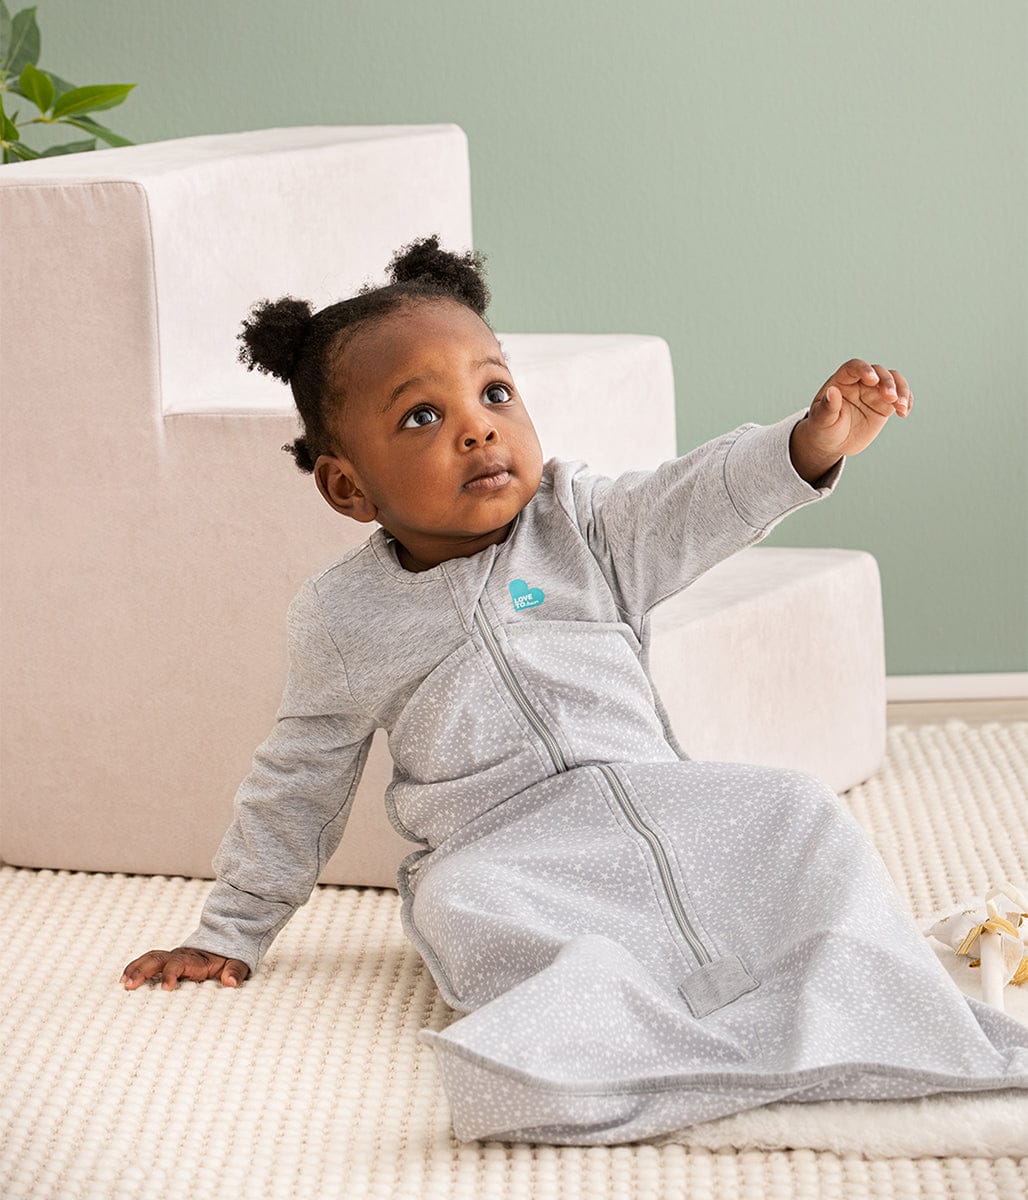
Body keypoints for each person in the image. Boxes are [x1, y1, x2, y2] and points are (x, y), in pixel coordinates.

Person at [121, 234, 1028, 1145]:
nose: (478, 428)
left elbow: (694, 497)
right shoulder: (342, 618)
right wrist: (230, 930)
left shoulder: (580, 523)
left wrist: (806, 444)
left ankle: (855, 982)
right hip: (502, 847)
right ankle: (601, 1041)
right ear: (347, 487)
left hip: (661, 799)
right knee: (459, 903)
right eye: (421, 417)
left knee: (796, 807)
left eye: (495, 393)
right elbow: (297, 783)